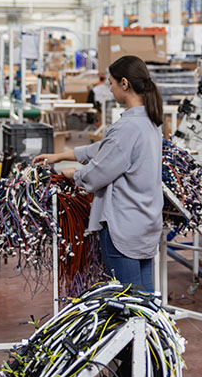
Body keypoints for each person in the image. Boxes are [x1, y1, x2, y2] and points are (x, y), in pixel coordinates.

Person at [34, 55, 164, 292]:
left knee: (126, 305)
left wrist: (73, 175)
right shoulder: (151, 122)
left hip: (123, 226)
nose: (111, 90)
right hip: (146, 223)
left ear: (124, 83)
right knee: (145, 303)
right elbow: (106, 150)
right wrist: (60, 156)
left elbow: (97, 173)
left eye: (112, 84)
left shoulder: (127, 127)